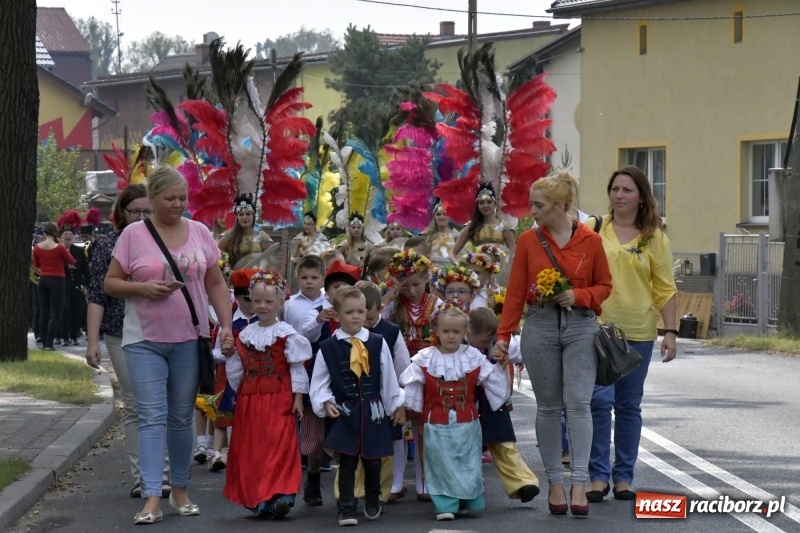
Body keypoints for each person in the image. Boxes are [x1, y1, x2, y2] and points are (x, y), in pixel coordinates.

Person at [104, 166, 234, 525]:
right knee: (151, 416)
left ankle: (180, 490)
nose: (177, 204)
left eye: (182, 198)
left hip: (189, 338)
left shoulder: (200, 232)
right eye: (169, 198)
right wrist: (142, 288)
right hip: (144, 339)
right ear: (153, 198)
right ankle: (151, 496)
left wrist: (225, 326)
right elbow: (111, 283)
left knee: (180, 417)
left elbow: (215, 283)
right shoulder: (133, 234)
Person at [493, 171, 612, 518]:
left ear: (560, 206)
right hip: (540, 325)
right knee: (547, 407)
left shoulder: (591, 240)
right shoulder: (529, 241)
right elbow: (515, 293)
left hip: (581, 326)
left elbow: (604, 286)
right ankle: (555, 484)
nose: (532, 211)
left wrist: (579, 295)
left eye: (539, 205)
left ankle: (579, 483)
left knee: (579, 405)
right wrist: (503, 336)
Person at [587, 166, 678, 503]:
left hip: (638, 333)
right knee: (599, 401)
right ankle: (598, 476)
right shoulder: (593, 228)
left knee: (627, 406)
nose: (619, 195)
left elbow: (665, 289)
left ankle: (623, 477)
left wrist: (670, 331)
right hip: (597, 329)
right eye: (615, 189)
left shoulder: (655, 238)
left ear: (641, 197)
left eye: (627, 190)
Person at [85, 184, 171, 498]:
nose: (141, 217)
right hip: (120, 333)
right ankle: (144, 476)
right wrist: (92, 341)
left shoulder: (167, 239)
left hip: (162, 330)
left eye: (147, 211)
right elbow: (97, 295)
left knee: (160, 402)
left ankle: (163, 472)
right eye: (135, 211)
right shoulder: (109, 244)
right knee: (135, 403)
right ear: (122, 211)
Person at [399, 299, 510, 521]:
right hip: (435, 423)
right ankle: (445, 505)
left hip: (467, 423)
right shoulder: (425, 358)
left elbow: (493, 382)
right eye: (446, 331)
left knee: (466, 461)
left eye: (456, 332)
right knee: (439, 463)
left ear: (465, 332)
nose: (451, 336)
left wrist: (501, 366)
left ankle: (464, 501)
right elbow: (411, 385)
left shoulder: (473, 357)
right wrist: (406, 408)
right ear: (436, 331)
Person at [310, 286, 406, 526]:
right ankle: (346, 506)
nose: (356, 316)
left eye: (360, 311)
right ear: (337, 315)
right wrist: (325, 401)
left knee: (373, 460)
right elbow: (320, 381)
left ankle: (373, 496)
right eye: (349, 312)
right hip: (345, 412)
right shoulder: (328, 347)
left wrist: (394, 405)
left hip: (373, 411)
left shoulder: (377, 342)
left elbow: (388, 377)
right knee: (347, 462)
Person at [224, 271, 312, 517]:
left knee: (279, 446)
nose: (262, 306)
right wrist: (230, 355)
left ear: (281, 302)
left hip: (279, 397)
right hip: (250, 400)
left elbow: (296, 367)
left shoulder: (286, 334)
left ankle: (281, 495)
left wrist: (298, 397)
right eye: (257, 301)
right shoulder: (244, 334)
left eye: (268, 301)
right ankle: (259, 499)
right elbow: (237, 371)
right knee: (253, 449)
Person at [298, 259, 361, 506]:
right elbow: (305, 336)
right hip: (319, 377)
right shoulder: (318, 310)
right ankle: (313, 478)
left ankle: (348, 487)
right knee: (316, 435)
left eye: (345, 287)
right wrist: (319, 320)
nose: (339, 291)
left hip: (349, 380)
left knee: (348, 433)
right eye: (335, 287)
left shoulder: (357, 314)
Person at [383, 248, 440, 500]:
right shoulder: (393, 306)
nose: (412, 290)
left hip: (427, 374)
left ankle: (423, 482)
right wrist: (389, 297)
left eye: (417, 284)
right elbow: (374, 319)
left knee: (422, 429)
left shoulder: (437, 304)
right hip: (398, 372)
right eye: (405, 285)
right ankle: (395, 482)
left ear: (427, 278)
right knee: (398, 427)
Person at [467, 307, 540, 503]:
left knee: (504, 444)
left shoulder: (495, 347)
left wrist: (502, 360)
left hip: (492, 404)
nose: (488, 344)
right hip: (467, 404)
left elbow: (521, 349)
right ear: (469, 333)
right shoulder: (459, 350)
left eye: (492, 339)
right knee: (466, 447)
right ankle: (467, 486)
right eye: (484, 341)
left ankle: (522, 483)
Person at [355, 280, 412, 504]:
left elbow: (403, 366)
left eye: (368, 317)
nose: (364, 322)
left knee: (394, 436)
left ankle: (395, 483)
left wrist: (400, 400)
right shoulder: (350, 332)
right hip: (360, 395)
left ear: (380, 308)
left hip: (386, 393)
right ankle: (363, 485)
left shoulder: (391, 331)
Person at [205, 267, 260, 472]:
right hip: (228, 375)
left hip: (255, 376)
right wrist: (229, 353)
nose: (253, 304)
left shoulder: (264, 320)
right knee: (224, 414)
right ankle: (216, 453)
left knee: (251, 415)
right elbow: (215, 352)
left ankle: (243, 452)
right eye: (248, 299)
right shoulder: (228, 322)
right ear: (237, 297)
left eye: (256, 299)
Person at [32, 222, 76, 351]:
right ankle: (49, 344)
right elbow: (72, 261)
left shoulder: (37, 247)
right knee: (56, 313)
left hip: (43, 279)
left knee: (44, 312)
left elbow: (36, 265)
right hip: (57, 279)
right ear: (56, 232)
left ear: (44, 233)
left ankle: (43, 342)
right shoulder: (60, 247)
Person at [449, 183, 515, 263]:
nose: (485, 205)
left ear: (495, 205)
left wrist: (505, 264)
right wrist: (459, 266)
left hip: (499, 269)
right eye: (481, 202)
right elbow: (452, 253)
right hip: (476, 269)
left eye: (489, 202)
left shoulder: (504, 226)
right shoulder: (471, 226)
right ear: (478, 206)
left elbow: (514, 253)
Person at [217, 194, 274, 268]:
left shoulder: (262, 237)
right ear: (237, 217)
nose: (244, 217)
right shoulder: (227, 237)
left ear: (253, 216)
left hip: (257, 275)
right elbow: (217, 260)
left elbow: (271, 262)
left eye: (248, 214)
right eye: (241, 214)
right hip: (233, 274)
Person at [58, 217, 90, 346]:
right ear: (61, 236)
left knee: (77, 311)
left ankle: (74, 335)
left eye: (70, 234)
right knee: (65, 311)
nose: (68, 236)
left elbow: (85, 269)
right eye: (65, 234)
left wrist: (88, 283)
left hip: (77, 285)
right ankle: (64, 336)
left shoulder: (79, 250)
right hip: (63, 285)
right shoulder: (58, 250)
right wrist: (67, 266)